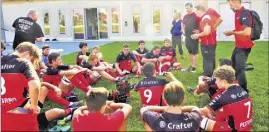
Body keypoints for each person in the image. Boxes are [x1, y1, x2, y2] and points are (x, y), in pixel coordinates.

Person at [1, 42, 77, 130]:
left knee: (44, 89)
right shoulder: (22, 62)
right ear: (27, 54)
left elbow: (39, 85)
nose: (31, 63)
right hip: (22, 113)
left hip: (7, 114)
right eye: (32, 60)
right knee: (56, 112)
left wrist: (53, 87)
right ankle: (72, 109)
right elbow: (35, 85)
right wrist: (33, 106)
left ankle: (71, 108)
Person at [199, 65, 253, 131]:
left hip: (232, 129)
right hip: (247, 127)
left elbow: (203, 111)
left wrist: (184, 110)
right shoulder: (241, 89)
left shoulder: (224, 96)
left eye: (217, 80)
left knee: (197, 118)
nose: (215, 82)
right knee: (219, 111)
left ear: (224, 81)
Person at [224, 0, 254, 92]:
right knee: (233, 65)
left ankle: (243, 90)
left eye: (231, 5)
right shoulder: (238, 13)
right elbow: (240, 29)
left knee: (240, 69)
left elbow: (247, 32)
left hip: (244, 46)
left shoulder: (244, 13)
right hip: (239, 45)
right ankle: (235, 86)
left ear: (237, 2)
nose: (230, 7)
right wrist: (232, 31)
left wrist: (232, 33)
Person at [192, 4, 217, 77]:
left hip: (208, 43)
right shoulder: (204, 18)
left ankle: (207, 75)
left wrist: (198, 35)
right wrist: (198, 32)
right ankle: (210, 73)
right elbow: (206, 30)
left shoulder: (205, 18)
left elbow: (207, 32)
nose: (195, 13)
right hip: (207, 42)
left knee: (208, 59)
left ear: (200, 10)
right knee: (210, 58)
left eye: (196, 11)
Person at [181, 3, 200, 73]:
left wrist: (199, 30)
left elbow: (202, 23)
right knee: (190, 52)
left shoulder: (196, 15)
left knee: (194, 52)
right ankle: (191, 65)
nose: (187, 9)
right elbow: (182, 23)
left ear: (192, 8)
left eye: (188, 8)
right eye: (186, 8)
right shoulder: (185, 16)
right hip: (187, 37)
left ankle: (194, 67)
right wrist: (183, 30)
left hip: (194, 36)